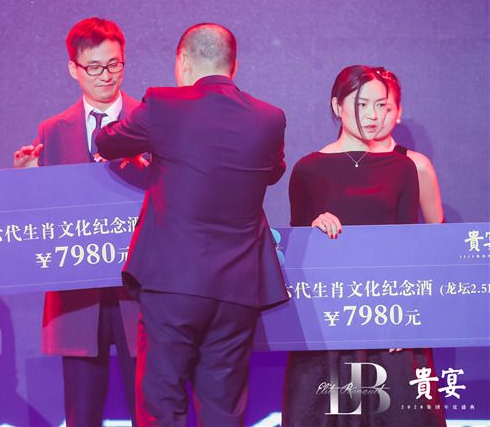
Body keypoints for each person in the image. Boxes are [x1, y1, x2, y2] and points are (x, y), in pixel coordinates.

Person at [96, 23, 289, 425]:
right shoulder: (269, 119)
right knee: (223, 406)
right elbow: (272, 171)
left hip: (172, 283)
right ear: (234, 65)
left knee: (162, 401)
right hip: (237, 288)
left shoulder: (164, 105)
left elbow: (108, 141)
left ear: (182, 62)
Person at [282, 65, 445, 426]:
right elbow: (296, 258)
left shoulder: (402, 168)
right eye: (361, 104)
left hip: (389, 320)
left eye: (380, 105)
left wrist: (407, 314)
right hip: (333, 325)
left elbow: (409, 248)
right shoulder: (308, 169)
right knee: (340, 414)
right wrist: (314, 229)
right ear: (337, 106)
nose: (372, 115)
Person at [13, 17, 140, 425]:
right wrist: (27, 181)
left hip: (139, 288)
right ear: (73, 68)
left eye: (114, 64)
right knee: (82, 413)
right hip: (79, 294)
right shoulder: (52, 130)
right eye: (95, 67)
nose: (106, 75)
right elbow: (39, 222)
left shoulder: (150, 121)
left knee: (151, 410)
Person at [373, 70, 444, 223]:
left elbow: (438, 230)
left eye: (385, 108)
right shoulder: (339, 163)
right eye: (366, 106)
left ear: (399, 111)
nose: (376, 116)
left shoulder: (418, 166)